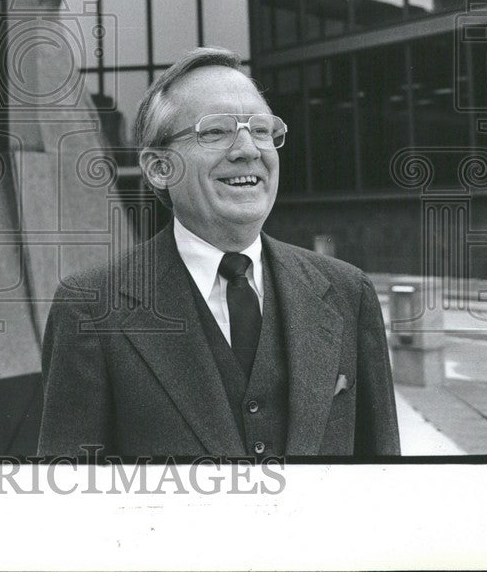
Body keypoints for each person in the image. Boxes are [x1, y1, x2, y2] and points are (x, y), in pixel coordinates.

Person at [38, 47, 400, 459]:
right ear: (159, 168)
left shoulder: (348, 292)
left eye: (262, 129)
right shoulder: (90, 307)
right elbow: (70, 499)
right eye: (215, 131)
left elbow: (384, 479)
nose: (249, 149)